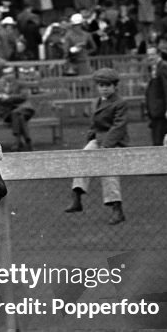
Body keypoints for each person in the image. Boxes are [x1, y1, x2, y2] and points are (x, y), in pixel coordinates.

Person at [64, 68, 128, 225]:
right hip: (98, 140)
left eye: (108, 85)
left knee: (108, 170)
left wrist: (106, 145)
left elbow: (119, 126)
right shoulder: (97, 102)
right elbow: (94, 125)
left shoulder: (120, 103)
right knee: (83, 159)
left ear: (115, 86)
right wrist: (91, 139)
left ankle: (116, 209)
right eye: (101, 85)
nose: (104, 88)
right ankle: (76, 197)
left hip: (114, 142)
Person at [143, 47, 167, 146]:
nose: (150, 57)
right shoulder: (153, 67)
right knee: (157, 139)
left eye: (152, 54)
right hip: (155, 110)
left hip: (162, 110)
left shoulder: (163, 66)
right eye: (148, 55)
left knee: (160, 140)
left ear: (158, 54)